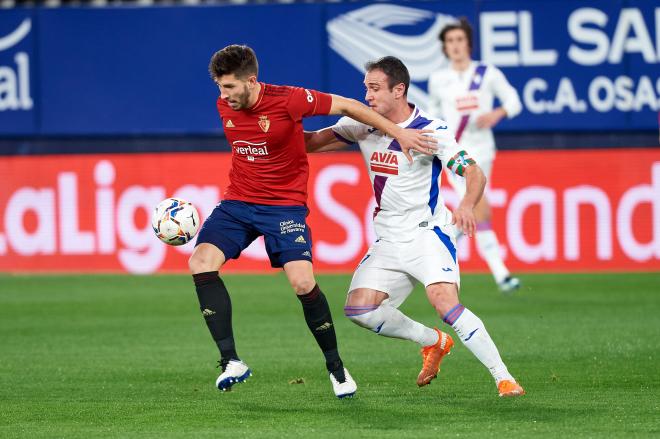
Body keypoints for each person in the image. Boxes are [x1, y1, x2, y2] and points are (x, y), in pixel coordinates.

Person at [188, 45, 435, 399]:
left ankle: (336, 368)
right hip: (238, 202)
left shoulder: (290, 100)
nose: (222, 95)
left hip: (283, 208)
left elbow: (350, 107)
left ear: (251, 81)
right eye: (219, 87)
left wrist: (399, 133)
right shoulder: (224, 105)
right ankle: (231, 361)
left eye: (229, 87)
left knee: (303, 283)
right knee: (200, 262)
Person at [305, 56, 525, 397]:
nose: (368, 96)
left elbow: (474, 171)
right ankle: (433, 341)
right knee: (359, 309)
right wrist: (270, 122)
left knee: (444, 302)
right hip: (388, 239)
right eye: (366, 88)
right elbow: (309, 143)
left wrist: (466, 204)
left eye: (375, 89)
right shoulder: (361, 124)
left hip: (427, 234)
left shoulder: (431, 129)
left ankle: (503, 377)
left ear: (399, 90)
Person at [427, 18, 522, 293]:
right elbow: (432, 114)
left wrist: (498, 113)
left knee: (474, 206)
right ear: (445, 47)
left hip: (484, 150)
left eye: (460, 40)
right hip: (455, 152)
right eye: (450, 41)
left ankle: (442, 244)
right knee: (479, 205)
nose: (455, 46)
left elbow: (514, 100)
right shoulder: (438, 79)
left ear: (468, 43)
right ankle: (501, 274)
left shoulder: (487, 73)